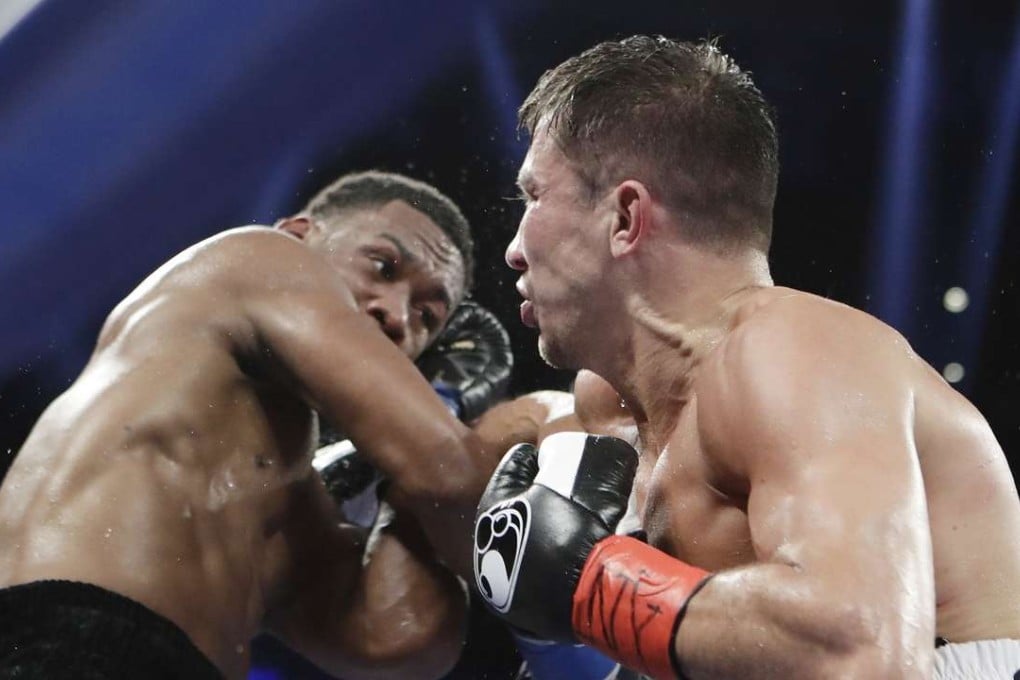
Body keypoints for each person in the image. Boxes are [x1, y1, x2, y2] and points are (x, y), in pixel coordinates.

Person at [474, 35, 1020, 679]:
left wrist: (593, 586)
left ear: (625, 217)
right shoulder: (611, 406)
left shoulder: (790, 349)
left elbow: (862, 653)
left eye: (534, 196)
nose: (513, 248)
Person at [0, 169, 550, 680]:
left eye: (427, 317)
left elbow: (400, 639)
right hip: (56, 636)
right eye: (383, 267)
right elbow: (451, 474)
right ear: (300, 233)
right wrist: (509, 422)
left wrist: (402, 488)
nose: (397, 315)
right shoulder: (259, 257)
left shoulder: (285, 491)